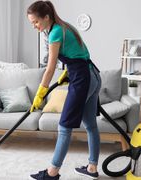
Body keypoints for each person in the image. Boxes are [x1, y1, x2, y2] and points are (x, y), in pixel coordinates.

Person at [27, 1, 102, 180]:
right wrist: (68, 72)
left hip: (83, 79)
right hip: (93, 75)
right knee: (91, 125)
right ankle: (92, 167)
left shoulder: (54, 33)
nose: (34, 26)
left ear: (46, 17)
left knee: (64, 126)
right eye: (31, 23)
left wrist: (40, 93)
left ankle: (52, 173)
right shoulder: (65, 27)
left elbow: (50, 68)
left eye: (36, 22)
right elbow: (80, 54)